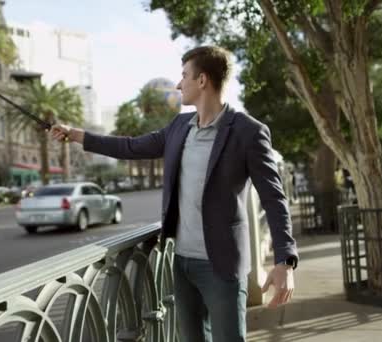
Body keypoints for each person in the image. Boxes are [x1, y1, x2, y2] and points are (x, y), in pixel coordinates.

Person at [50, 46, 298, 342]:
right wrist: (77, 135)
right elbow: (129, 147)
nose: (179, 84)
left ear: (202, 80)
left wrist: (284, 261)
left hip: (222, 266)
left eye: (184, 76)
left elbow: (274, 198)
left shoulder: (248, 132)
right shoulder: (179, 127)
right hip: (181, 263)